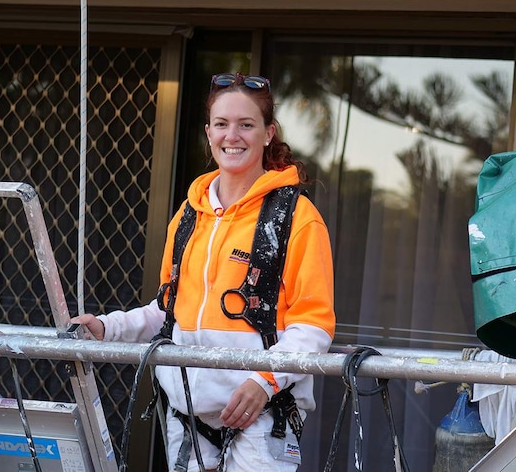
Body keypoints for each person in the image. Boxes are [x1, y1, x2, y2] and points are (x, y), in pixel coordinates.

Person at [72, 72, 336, 471]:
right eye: (222, 124)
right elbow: (167, 311)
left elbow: (314, 326)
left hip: (262, 418)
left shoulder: (296, 218)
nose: (233, 136)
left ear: (268, 134)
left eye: (246, 125)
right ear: (208, 132)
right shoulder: (187, 217)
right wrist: (108, 329)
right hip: (187, 417)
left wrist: (263, 383)